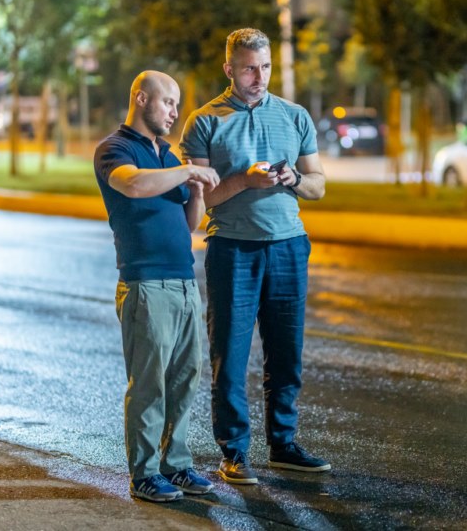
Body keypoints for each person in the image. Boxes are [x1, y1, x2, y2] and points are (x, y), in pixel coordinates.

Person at [180, 28, 330, 485]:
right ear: (229, 69)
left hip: (288, 245)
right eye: (249, 68)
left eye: (265, 67)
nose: (258, 77)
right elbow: (201, 201)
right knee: (230, 354)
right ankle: (234, 452)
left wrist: (292, 179)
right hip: (233, 248)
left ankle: (283, 445)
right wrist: (245, 180)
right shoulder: (205, 122)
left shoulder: (294, 115)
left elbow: (318, 185)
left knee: (286, 354)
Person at [93, 70, 220, 502]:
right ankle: (144, 474)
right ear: (141, 98)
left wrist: (196, 191)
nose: (174, 112)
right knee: (150, 384)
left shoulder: (166, 155)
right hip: (145, 284)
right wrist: (188, 171)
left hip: (184, 282)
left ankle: (176, 465)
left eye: (177, 104)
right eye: (168, 102)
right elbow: (133, 184)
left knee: (185, 379)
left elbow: (188, 225)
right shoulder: (115, 149)